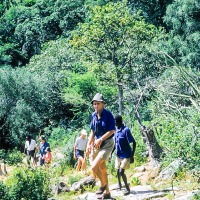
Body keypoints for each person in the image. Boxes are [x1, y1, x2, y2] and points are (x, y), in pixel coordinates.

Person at [86, 93, 115, 199]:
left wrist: (101, 139)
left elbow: (112, 130)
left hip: (107, 144)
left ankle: (102, 185)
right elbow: (92, 132)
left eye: (98, 103)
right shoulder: (94, 115)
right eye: (94, 104)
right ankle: (107, 193)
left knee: (94, 167)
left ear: (103, 104)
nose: (96, 106)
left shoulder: (108, 115)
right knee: (102, 169)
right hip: (97, 145)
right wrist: (89, 145)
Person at [114, 114, 136, 195]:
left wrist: (132, 155)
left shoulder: (126, 130)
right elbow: (115, 143)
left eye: (115, 122)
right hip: (118, 154)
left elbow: (134, 142)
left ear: (119, 122)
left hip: (126, 155)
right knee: (117, 170)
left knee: (121, 172)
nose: (114, 123)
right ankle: (119, 184)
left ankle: (127, 188)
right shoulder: (116, 130)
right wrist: (111, 154)